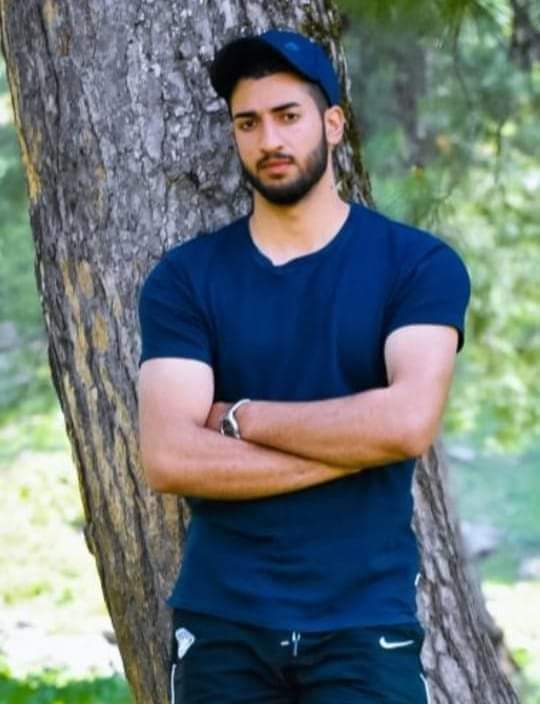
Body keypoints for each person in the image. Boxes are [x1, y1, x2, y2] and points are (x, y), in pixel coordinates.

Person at [137, 28, 471, 704]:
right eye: (248, 123)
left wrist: (239, 418)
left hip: (363, 623)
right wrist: (357, 446)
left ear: (333, 124)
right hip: (223, 623)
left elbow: (407, 425)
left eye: (288, 116)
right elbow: (171, 458)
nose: (269, 140)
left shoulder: (417, 266)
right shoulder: (186, 279)